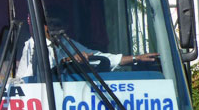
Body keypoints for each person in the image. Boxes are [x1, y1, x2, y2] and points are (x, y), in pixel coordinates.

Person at [16, 15, 158, 79]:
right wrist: (68, 61)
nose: (54, 29)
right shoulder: (32, 45)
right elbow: (37, 77)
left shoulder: (65, 42)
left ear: (65, 27)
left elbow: (98, 57)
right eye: (50, 24)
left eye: (59, 25)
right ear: (42, 26)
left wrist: (136, 58)